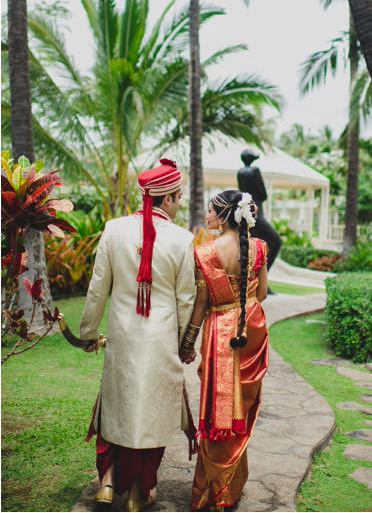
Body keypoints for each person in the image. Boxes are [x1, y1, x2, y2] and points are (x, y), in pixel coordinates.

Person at [78, 158, 196, 511]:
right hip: (159, 341)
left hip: (123, 338)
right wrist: (184, 344)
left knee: (119, 406)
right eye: (179, 196)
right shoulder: (182, 238)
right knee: (151, 411)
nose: (180, 202)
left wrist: (88, 331)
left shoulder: (113, 229)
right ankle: (138, 492)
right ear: (169, 198)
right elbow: (185, 299)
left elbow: (98, 288)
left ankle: (109, 481)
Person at [180, 189, 270, 511]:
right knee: (239, 410)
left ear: (224, 216)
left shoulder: (204, 253)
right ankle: (231, 487)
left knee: (217, 409)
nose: (206, 215)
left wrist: (187, 342)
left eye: (210, 211)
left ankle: (212, 489)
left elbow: (202, 305)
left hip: (219, 333)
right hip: (249, 332)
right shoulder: (259, 248)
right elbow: (260, 293)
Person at [237, 149, 282, 271]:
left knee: (256, 248)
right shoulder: (254, 171)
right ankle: (263, 277)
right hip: (257, 214)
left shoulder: (240, 172)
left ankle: (257, 279)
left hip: (247, 213)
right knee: (276, 242)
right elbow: (263, 194)